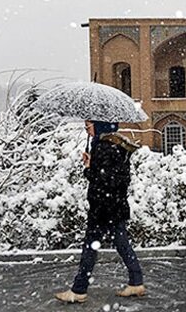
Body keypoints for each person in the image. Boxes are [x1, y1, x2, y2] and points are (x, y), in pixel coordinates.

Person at [55, 121, 145, 303]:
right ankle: (136, 281)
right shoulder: (117, 147)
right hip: (115, 206)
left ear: (100, 125)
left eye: (89, 125)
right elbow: (117, 178)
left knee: (90, 248)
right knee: (121, 244)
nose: (86, 129)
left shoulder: (104, 147)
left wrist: (89, 169)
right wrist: (91, 164)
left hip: (103, 209)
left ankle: (79, 290)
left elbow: (104, 181)